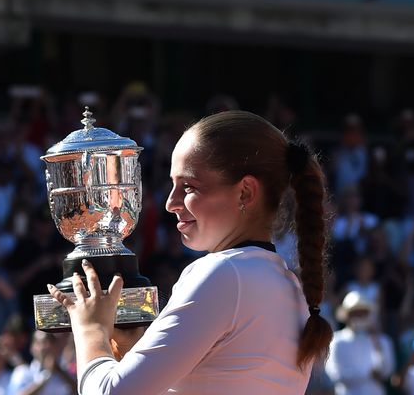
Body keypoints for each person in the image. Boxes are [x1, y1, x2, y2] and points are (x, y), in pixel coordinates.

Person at [48, 110, 333, 394]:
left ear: (245, 192)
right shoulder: (288, 285)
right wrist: (130, 353)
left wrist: (91, 330)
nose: (171, 203)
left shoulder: (223, 274)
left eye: (188, 187)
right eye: (173, 186)